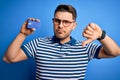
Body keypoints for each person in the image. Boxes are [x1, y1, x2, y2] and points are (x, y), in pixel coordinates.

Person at [3, 4, 120, 80]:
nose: (60, 26)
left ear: (74, 25)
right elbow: (9, 59)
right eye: (57, 21)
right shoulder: (38, 43)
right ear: (53, 21)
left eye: (66, 22)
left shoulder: (85, 46)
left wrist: (101, 36)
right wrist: (22, 34)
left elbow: (115, 52)